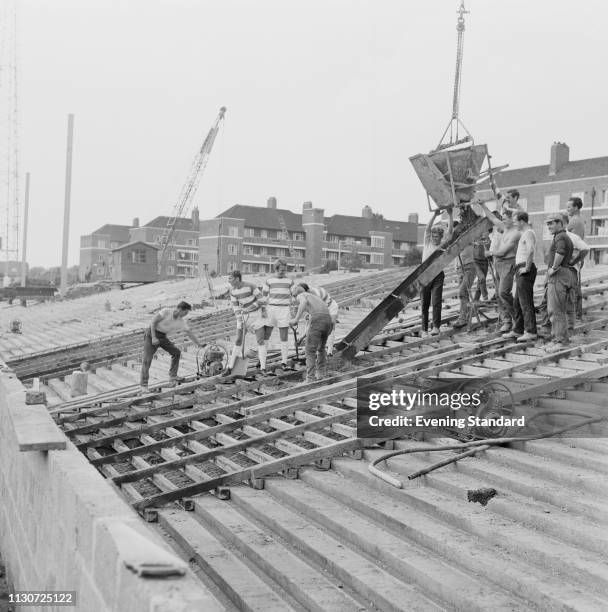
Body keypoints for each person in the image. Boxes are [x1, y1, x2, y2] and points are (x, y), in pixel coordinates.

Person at [140, 301, 205, 393]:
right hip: (151, 334)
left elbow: (189, 332)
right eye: (185, 312)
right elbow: (153, 322)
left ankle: (173, 375)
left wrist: (198, 344)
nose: (185, 315)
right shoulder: (166, 312)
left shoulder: (181, 321)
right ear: (180, 309)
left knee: (176, 352)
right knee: (147, 360)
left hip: (162, 336)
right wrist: (154, 337)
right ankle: (144, 385)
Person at [224, 270, 269, 376]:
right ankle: (230, 367)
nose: (228, 280)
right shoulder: (232, 291)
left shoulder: (251, 286)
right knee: (238, 340)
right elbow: (235, 307)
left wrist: (249, 308)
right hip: (243, 317)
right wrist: (240, 320)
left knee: (260, 341)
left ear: (237, 279)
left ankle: (263, 368)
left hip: (256, 316)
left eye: (230, 278)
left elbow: (262, 300)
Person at [484, 208, 521, 333]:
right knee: (499, 295)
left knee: (504, 292)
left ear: (512, 220)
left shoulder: (516, 233)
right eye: (503, 219)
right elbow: (492, 218)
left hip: (508, 263)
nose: (503, 221)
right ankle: (507, 321)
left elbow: (503, 252)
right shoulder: (505, 228)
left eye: (505, 219)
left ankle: (517, 319)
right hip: (498, 264)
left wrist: (490, 252)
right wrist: (483, 205)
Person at [544, 214, 576, 352]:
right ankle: (557, 338)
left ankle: (561, 341)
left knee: (556, 309)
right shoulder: (562, 236)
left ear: (560, 223)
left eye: (551, 223)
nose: (549, 226)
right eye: (548, 224)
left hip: (559, 275)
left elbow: (561, 252)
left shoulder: (560, 236)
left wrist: (553, 268)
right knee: (556, 309)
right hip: (564, 273)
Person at [504, 211, 537, 341]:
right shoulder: (525, 233)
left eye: (516, 221)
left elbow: (531, 250)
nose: (514, 223)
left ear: (522, 221)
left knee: (525, 302)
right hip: (521, 267)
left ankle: (531, 331)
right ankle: (518, 329)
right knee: (517, 301)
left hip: (525, 268)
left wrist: (527, 268)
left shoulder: (528, 233)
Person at [420, 208, 453, 336]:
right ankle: (424, 329)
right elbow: (427, 229)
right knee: (425, 303)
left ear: (440, 237)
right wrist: (434, 215)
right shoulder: (427, 242)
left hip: (438, 274)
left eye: (437, 236)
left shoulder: (442, 244)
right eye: (433, 236)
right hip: (425, 274)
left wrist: (450, 214)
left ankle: (436, 327)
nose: (434, 238)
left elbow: (450, 232)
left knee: (436, 301)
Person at [290, 285, 332, 383]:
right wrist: (301, 339)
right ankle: (322, 374)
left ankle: (310, 378)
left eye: (293, 297)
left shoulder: (302, 295)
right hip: (327, 320)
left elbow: (304, 303)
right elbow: (313, 324)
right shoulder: (316, 299)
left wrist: (295, 319)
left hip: (318, 320)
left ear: (295, 295)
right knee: (321, 348)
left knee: (309, 351)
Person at [262, 259, 294, 367]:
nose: (283, 272)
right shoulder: (269, 281)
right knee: (266, 335)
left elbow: (295, 294)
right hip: (271, 309)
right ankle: (262, 360)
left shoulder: (290, 281)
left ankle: (284, 361)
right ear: (276, 269)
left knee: (284, 336)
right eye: (281, 270)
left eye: (285, 270)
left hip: (284, 310)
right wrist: (262, 310)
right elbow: (263, 296)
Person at [296, 282, 339, 355]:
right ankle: (308, 348)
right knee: (309, 323)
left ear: (308, 291)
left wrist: (302, 337)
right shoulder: (304, 293)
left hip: (330, 306)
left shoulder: (315, 294)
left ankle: (329, 351)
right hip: (320, 309)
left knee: (331, 325)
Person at [452, 217, 477, 330]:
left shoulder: (468, 237)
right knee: (463, 294)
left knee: (463, 291)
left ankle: (463, 318)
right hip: (459, 268)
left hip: (469, 267)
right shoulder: (454, 240)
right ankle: (465, 315)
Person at [566, 197, 585, 319]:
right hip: (577, 255)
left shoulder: (574, 221)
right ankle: (577, 314)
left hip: (573, 255)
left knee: (572, 287)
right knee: (575, 285)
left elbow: (566, 238)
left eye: (569, 207)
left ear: (576, 207)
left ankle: (576, 315)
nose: (567, 209)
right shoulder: (578, 220)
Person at [473, 232, 490, 301]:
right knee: (482, 278)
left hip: (485, 262)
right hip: (475, 261)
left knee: (480, 283)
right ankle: (485, 297)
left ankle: (475, 300)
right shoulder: (475, 236)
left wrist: (485, 242)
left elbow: (489, 250)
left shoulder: (488, 238)